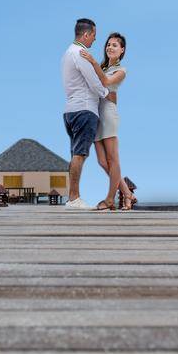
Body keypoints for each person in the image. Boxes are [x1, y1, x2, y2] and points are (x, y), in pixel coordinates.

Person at [79, 32, 135, 211]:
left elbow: (106, 82)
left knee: (113, 159)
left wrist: (92, 62)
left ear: (122, 50)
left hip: (108, 114)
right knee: (103, 162)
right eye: (108, 44)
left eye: (115, 45)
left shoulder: (121, 71)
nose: (110, 47)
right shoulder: (102, 67)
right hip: (96, 115)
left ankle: (110, 199)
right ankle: (127, 193)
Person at [61, 18, 109, 211]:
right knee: (80, 154)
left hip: (71, 110)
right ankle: (74, 198)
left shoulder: (67, 53)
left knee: (75, 153)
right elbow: (94, 81)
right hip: (84, 109)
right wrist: (106, 93)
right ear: (86, 34)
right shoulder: (80, 53)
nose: (95, 40)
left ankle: (72, 197)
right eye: (94, 36)